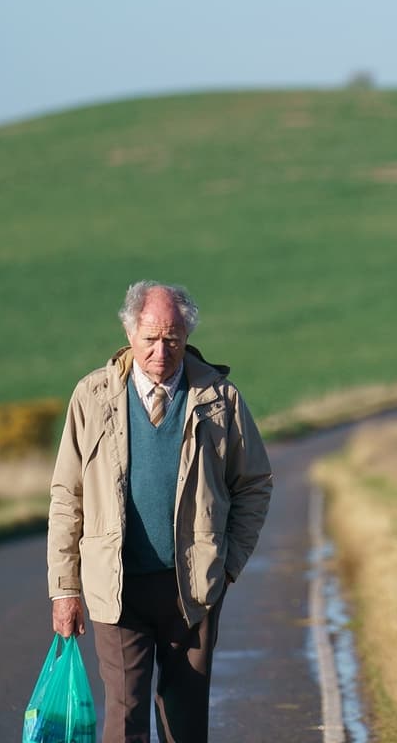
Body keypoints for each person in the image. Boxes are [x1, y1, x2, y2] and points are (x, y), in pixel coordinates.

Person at [47, 281, 273, 743]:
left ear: (187, 335)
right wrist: (65, 589)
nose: (160, 350)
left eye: (171, 338)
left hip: (192, 589)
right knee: (124, 719)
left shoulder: (221, 400)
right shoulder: (92, 397)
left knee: (185, 723)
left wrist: (227, 566)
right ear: (130, 333)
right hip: (117, 588)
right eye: (150, 338)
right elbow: (66, 497)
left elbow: (254, 484)